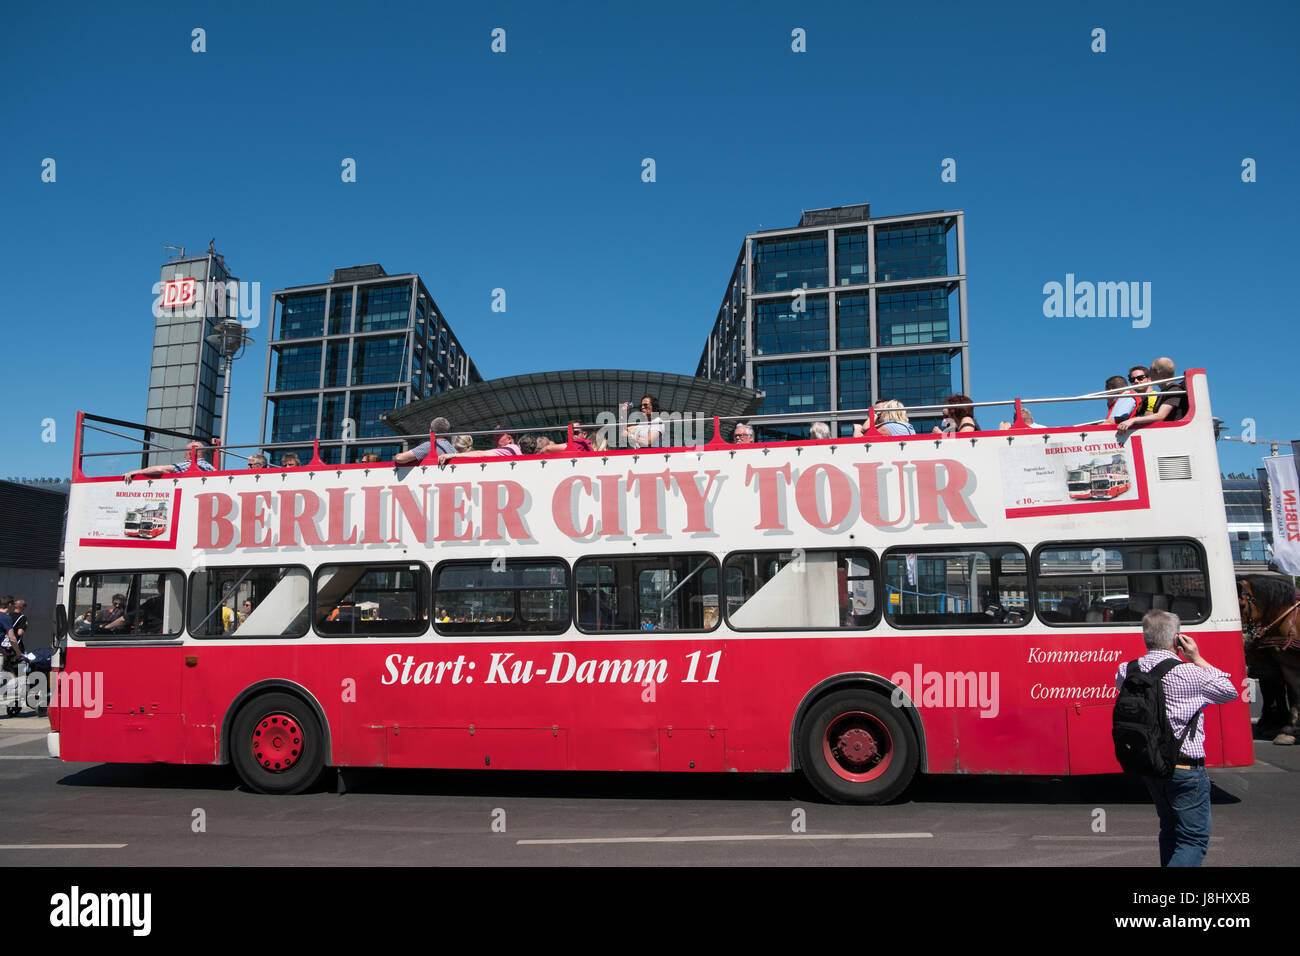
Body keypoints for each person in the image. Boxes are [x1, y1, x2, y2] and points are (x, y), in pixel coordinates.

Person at [1115, 609, 1237, 867]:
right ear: (1177, 639)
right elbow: (1229, 692)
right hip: (1185, 768)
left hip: (1150, 764)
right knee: (1193, 839)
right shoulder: (1189, 673)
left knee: (1169, 830)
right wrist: (1197, 658)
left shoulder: (1127, 669)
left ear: (1145, 637)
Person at [1118, 358, 1188, 434]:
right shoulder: (1165, 392)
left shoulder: (1174, 389)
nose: (1150, 375)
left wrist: (1133, 420)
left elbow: (1160, 416)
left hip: (1174, 434)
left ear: (1158, 372)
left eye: (1151, 371)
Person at [124, 441, 216, 481]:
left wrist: (136, 472)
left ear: (191, 453)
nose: (184, 454)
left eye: (185, 451)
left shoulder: (187, 465)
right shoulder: (210, 468)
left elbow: (159, 470)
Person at [439, 426, 520, 465]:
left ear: (509, 438)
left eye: (498, 435)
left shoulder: (509, 449)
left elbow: (480, 454)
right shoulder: (511, 449)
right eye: (494, 436)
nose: (494, 438)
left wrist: (452, 455)